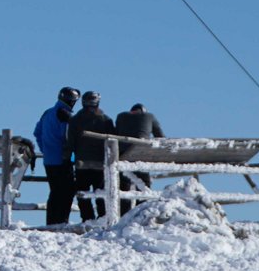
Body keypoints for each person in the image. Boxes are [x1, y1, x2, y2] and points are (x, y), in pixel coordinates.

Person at [65, 90, 115, 222]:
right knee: (101, 193)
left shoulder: (75, 120)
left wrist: (67, 159)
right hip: (101, 164)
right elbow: (112, 142)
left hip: (82, 163)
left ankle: (87, 219)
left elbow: (70, 142)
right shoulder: (106, 120)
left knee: (82, 194)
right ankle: (103, 219)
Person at [33, 86, 79, 225]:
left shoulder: (47, 113)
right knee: (67, 191)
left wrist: (46, 150)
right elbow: (68, 138)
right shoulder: (65, 115)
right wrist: (72, 156)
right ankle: (61, 221)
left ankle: (52, 221)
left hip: (49, 159)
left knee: (55, 192)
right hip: (63, 159)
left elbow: (37, 133)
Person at [113, 102, 165, 209]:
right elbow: (160, 137)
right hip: (141, 153)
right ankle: (141, 210)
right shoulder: (150, 116)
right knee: (143, 184)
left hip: (123, 155)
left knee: (124, 185)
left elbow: (116, 133)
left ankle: (124, 214)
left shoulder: (121, 116)